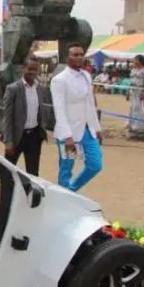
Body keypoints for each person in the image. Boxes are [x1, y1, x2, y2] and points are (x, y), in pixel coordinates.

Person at [50, 43, 102, 192]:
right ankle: (63, 195)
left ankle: (71, 190)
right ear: (67, 57)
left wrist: (97, 128)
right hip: (69, 132)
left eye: (81, 54)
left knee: (95, 164)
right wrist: (67, 136)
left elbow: (90, 103)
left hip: (87, 130)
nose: (79, 57)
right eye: (75, 54)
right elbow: (58, 110)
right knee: (66, 168)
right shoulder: (59, 80)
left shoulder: (86, 75)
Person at [1, 57, 47, 176]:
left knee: (33, 173)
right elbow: (8, 117)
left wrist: (41, 133)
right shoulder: (13, 89)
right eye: (30, 69)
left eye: (35, 70)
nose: (32, 72)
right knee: (8, 172)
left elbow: (40, 112)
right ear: (23, 69)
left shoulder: (40, 89)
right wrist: (8, 141)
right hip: (16, 138)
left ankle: (29, 194)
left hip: (34, 138)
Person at [127, 54, 144, 135]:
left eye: (136, 60)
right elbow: (130, 81)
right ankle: (131, 124)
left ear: (140, 61)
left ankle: (138, 126)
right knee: (132, 107)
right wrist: (127, 92)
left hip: (139, 90)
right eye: (134, 60)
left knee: (137, 107)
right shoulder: (133, 70)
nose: (134, 61)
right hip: (132, 90)